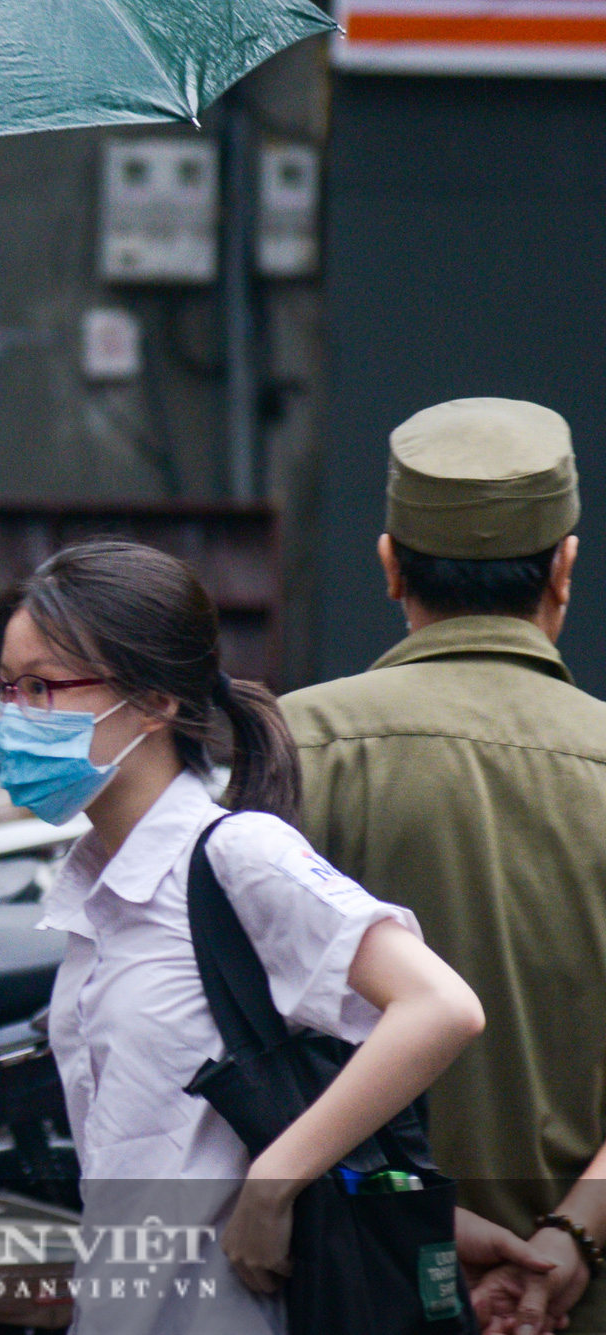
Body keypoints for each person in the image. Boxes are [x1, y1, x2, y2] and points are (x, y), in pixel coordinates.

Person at [0, 537, 488, 1332]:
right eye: (6, 690)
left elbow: (439, 1005)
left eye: (43, 688)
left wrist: (277, 1180)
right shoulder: (95, 894)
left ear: (155, 700)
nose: (15, 719)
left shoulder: (235, 855)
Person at [281, 398, 606, 1335]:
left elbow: (231, 1050)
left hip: (355, 1287)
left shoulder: (298, 746)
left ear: (389, 565)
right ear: (566, 569)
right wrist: (571, 1238)